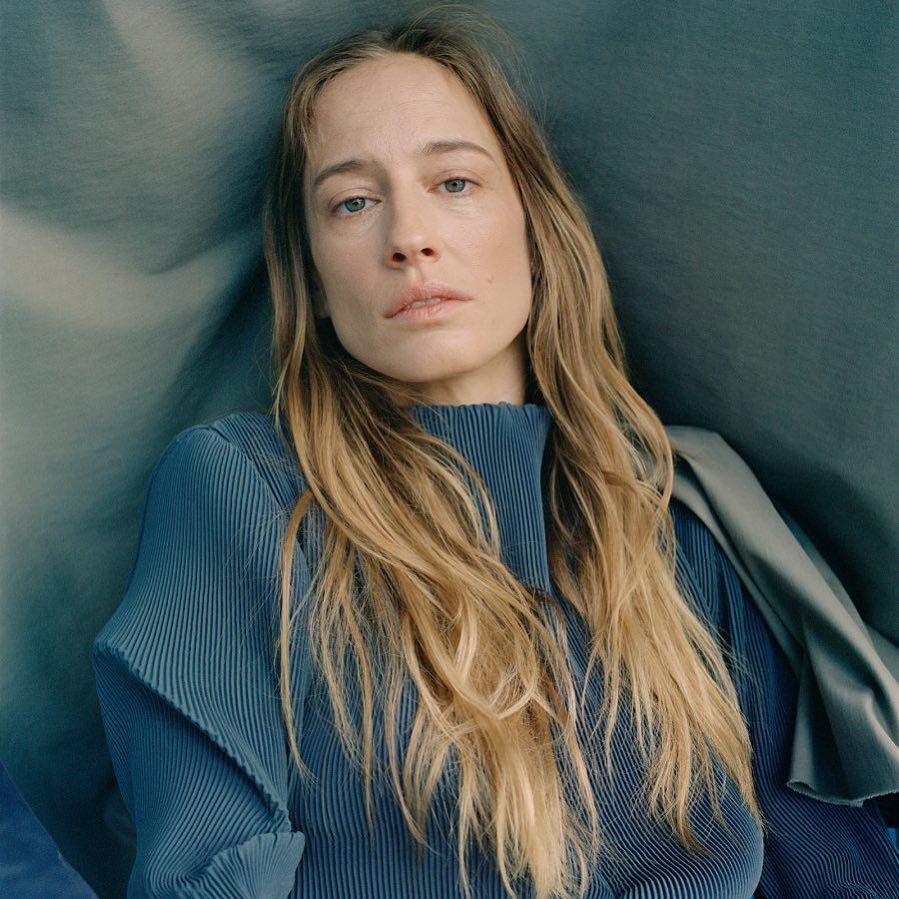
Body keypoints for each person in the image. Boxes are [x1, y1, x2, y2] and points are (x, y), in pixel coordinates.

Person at [92, 5, 897, 898]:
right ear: (315, 282)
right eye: (353, 201)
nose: (408, 237)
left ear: (534, 225)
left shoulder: (678, 511)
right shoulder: (241, 491)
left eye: (455, 182)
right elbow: (203, 873)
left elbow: (822, 857)